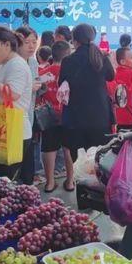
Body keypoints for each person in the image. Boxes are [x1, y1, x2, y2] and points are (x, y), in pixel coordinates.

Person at [59, 24, 115, 190]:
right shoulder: (101, 57)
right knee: (100, 156)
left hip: (77, 117)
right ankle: (100, 191)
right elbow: (111, 76)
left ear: (74, 40)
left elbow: (62, 83)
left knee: (80, 158)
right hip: (100, 116)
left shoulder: (69, 60)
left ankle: (83, 192)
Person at [0, 27, 34, 180]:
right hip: (3, 130)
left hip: (14, 132)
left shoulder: (17, 65)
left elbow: (14, 94)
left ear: (7, 45)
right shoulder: (5, 64)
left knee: (8, 181)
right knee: (1, 179)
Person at [39, 41, 75, 192]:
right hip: (68, 115)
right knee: (69, 149)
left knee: (49, 149)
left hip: (48, 117)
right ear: (68, 55)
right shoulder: (73, 73)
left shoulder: (43, 74)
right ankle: (70, 182)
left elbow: (37, 96)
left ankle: (49, 183)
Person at [15, 26, 42, 186]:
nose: (31, 46)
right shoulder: (11, 62)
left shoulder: (32, 61)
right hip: (14, 114)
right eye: (27, 42)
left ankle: (27, 183)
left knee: (28, 148)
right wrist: (29, 87)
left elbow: (35, 81)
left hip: (29, 111)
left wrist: (40, 85)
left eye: (34, 42)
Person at [111, 47, 132, 130]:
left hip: (117, 116)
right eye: (131, 57)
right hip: (130, 115)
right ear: (122, 62)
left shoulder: (114, 74)